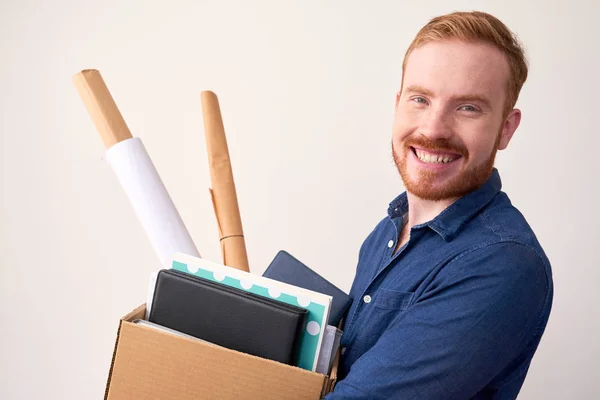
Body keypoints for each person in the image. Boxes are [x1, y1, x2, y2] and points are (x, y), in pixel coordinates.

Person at [325, 11, 554, 400]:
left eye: (468, 107)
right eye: (420, 99)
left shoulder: (502, 264)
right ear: (398, 104)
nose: (432, 129)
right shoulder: (385, 233)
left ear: (506, 128)